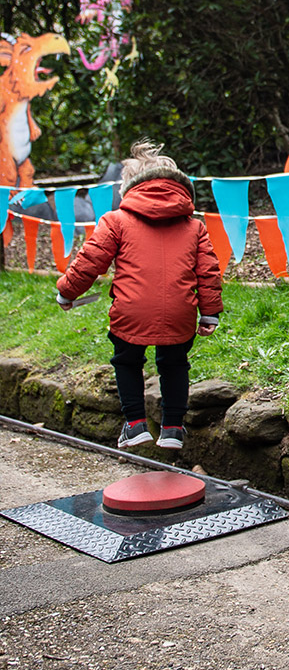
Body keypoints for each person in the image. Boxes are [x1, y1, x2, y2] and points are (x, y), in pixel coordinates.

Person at [56, 140, 223, 451]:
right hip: (179, 312)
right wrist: (210, 312)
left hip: (131, 310)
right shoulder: (194, 226)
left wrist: (67, 292)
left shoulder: (115, 221)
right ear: (177, 186)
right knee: (174, 363)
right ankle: (172, 428)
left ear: (130, 187)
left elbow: (89, 262)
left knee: (126, 360)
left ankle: (135, 426)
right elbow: (208, 271)